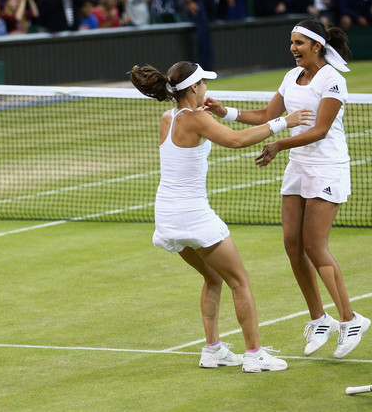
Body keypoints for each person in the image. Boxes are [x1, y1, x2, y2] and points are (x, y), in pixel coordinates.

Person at [129, 61, 314, 372]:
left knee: (213, 277)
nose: (206, 88)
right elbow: (236, 140)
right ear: (194, 88)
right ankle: (255, 355)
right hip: (192, 214)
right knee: (239, 281)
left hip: (166, 216)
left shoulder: (168, 117)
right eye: (203, 84)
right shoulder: (196, 118)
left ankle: (212, 349)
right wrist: (285, 121)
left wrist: (219, 111)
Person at [203, 18, 371, 359]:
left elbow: (321, 129)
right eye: (291, 43)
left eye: (298, 43)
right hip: (299, 168)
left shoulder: (332, 81)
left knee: (315, 246)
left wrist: (280, 145)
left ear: (316, 46)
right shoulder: (291, 77)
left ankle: (350, 319)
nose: (292, 48)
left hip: (327, 167)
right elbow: (267, 113)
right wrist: (225, 112)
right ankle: (319, 318)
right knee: (293, 246)